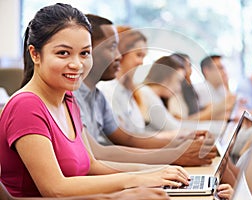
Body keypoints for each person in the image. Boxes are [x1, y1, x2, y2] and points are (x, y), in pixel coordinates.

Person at [0, 4, 189, 198]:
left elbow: (91, 166)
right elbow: (55, 189)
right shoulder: (26, 106)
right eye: (63, 53)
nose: (77, 64)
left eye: (84, 53)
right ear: (35, 54)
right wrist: (135, 181)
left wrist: (156, 172)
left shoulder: (68, 99)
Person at [73, 14, 217, 166]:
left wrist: (180, 145)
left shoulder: (97, 97)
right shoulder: (74, 96)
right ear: (86, 51)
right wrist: (174, 155)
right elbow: (96, 153)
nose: (118, 57)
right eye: (112, 48)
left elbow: (130, 139)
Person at [193, 55, 236, 120]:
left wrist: (227, 85)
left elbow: (231, 110)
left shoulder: (222, 89)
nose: (224, 72)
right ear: (206, 71)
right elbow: (211, 115)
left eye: (224, 68)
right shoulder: (200, 89)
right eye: (220, 68)